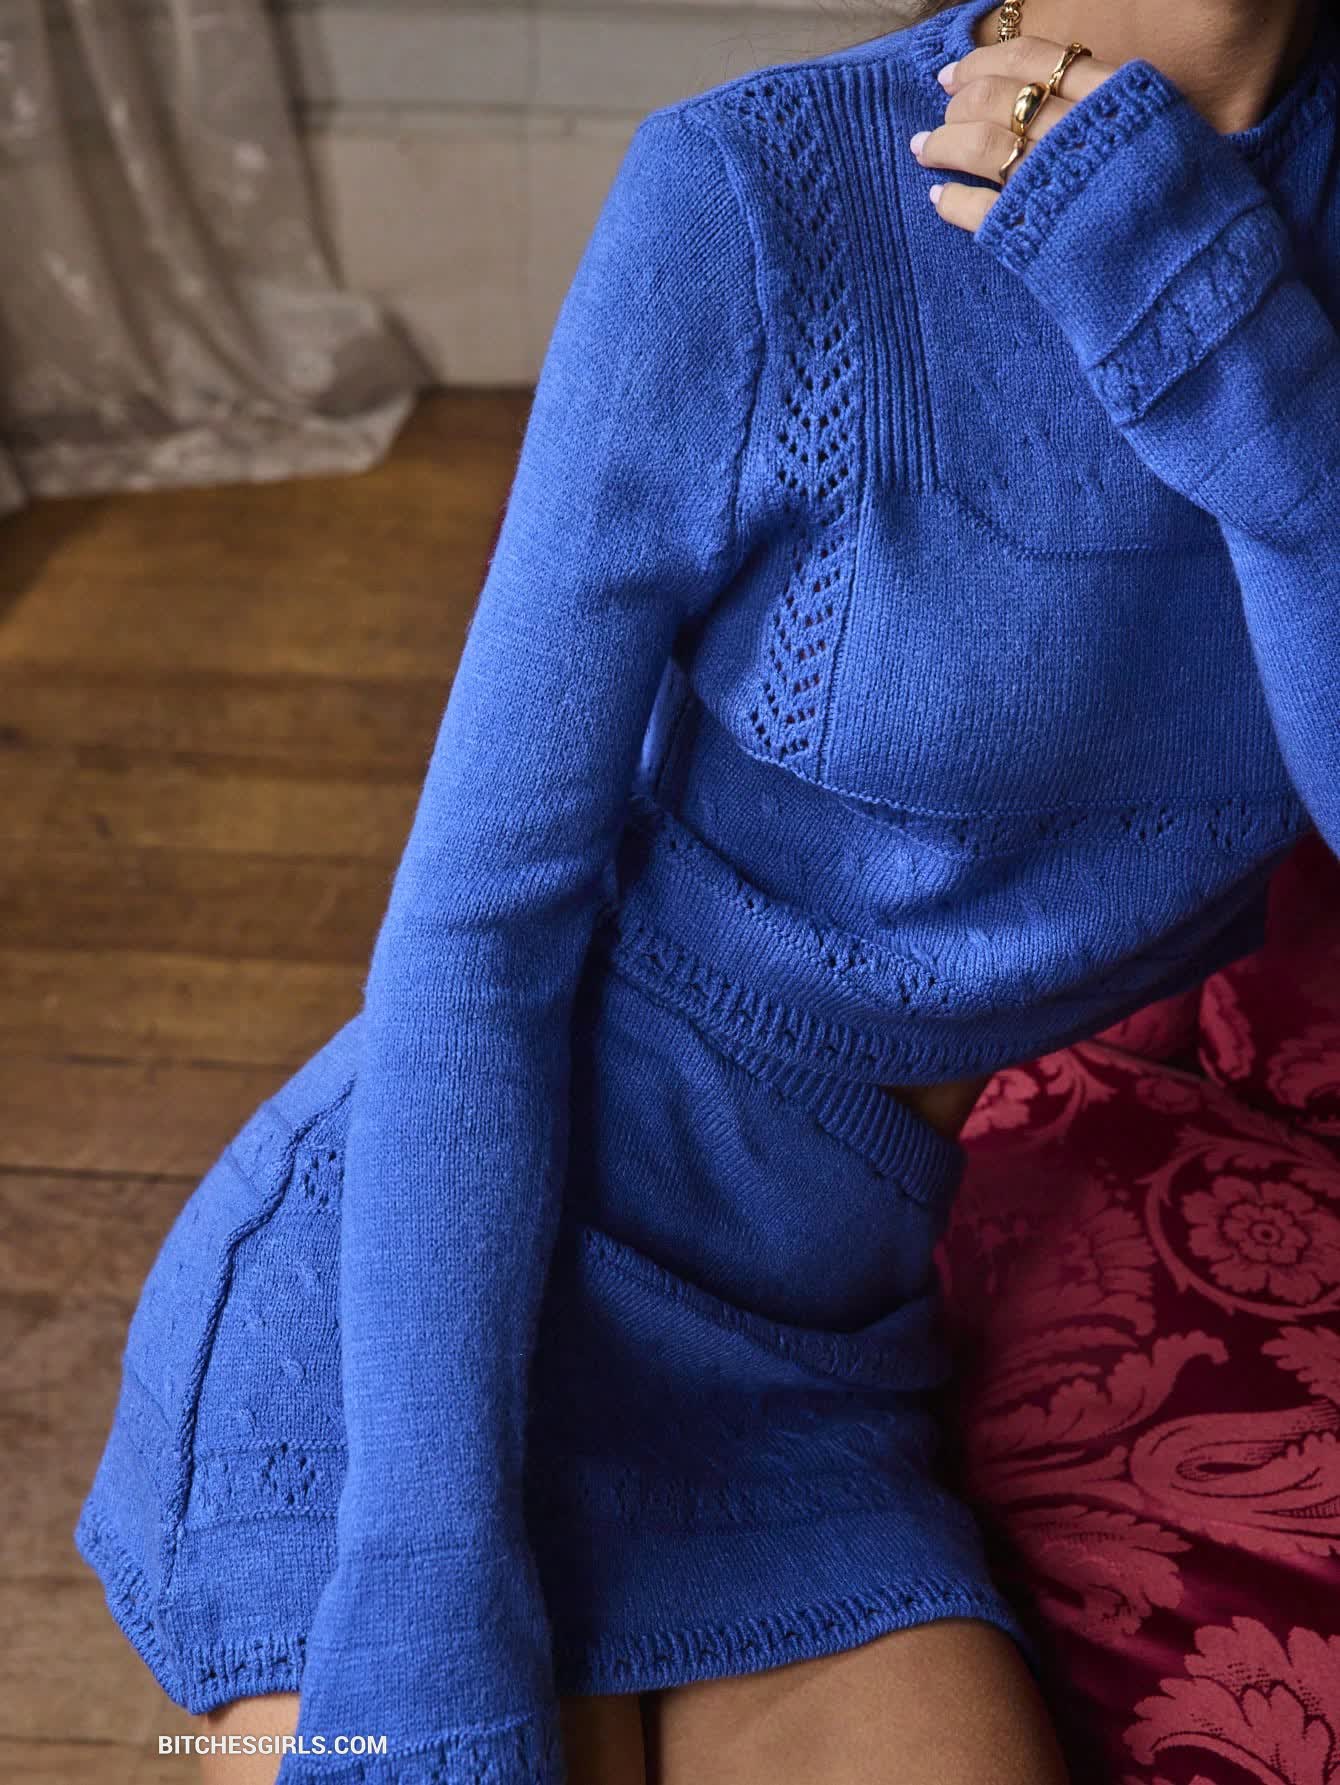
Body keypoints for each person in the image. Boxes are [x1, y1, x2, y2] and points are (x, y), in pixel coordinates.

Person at [74, 0, 1339, 1779]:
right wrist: (427, 1585)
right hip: (431, 1317)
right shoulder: (758, 200)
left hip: (812, 1370)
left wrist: (1260, 389)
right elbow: (479, 932)